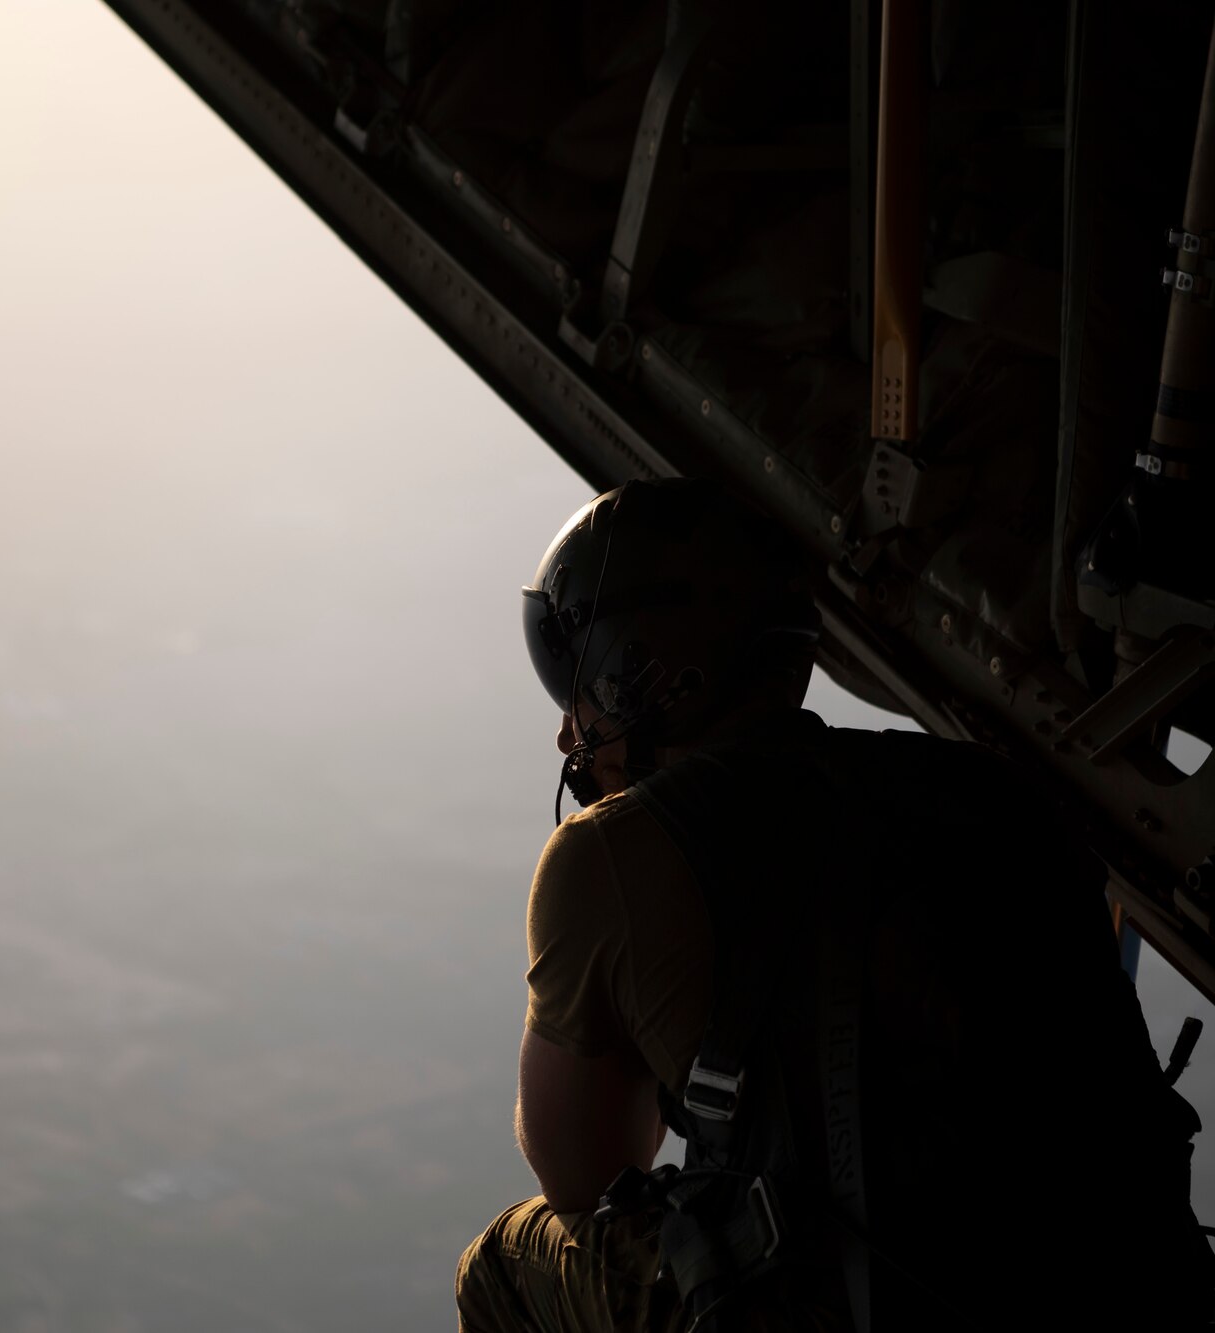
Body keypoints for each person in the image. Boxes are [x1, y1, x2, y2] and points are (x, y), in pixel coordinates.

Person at [455, 478, 1214, 1332]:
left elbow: (586, 1175)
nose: (569, 733)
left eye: (579, 687)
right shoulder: (993, 793)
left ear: (644, 674)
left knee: (505, 1263)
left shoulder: (609, 857)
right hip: (1133, 1293)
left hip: (841, 1306)